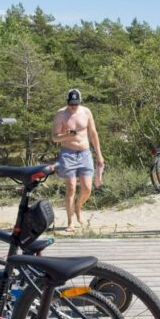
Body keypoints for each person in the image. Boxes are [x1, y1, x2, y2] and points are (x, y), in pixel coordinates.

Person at [52, 88, 104, 231]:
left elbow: (93, 134)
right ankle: (70, 222)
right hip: (68, 153)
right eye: (70, 103)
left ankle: (78, 207)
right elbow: (55, 137)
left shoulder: (86, 112)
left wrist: (99, 154)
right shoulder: (61, 114)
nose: (72, 106)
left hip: (85, 153)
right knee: (71, 188)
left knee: (87, 188)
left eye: (75, 103)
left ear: (80, 101)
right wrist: (66, 136)